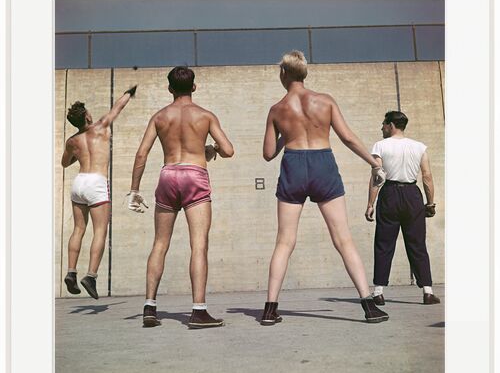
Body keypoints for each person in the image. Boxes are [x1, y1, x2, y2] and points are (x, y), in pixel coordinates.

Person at [261, 50, 389, 325]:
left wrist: (287, 134)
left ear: (284, 73)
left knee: (284, 242)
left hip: (293, 165)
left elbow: (268, 154)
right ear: (304, 72)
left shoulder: (276, 109)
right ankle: (369, 306)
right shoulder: (325, 101)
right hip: (323, 165)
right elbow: (347, 138)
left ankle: (270, 310)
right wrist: (374, 164)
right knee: (343, 239)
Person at [128, 66, 234, 329]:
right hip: (194, 176)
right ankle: (198, 311)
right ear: (194, 87)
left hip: (168, 175)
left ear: (169, 89)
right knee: (198, 245)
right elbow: (229, 150)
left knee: (159, 243)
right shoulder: (205, 116)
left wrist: (134, 190)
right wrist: (211, 149)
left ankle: (149, 308)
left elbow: (141, 153)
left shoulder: (160, 116)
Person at [61, 86, 137, 299]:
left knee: (78, 229)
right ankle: (91, 276)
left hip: (79, 182)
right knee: (100, 231)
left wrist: (78, 155)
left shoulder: (72, 141)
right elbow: (118, 107)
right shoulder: (101, 126)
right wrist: (130, 92)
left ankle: (71, 272)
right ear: (87, 116)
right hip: (97, 182)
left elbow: (64, 163)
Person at [365, 110, 440, 305]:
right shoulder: (419, 147)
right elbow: (427, 176)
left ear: (391, 125)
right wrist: (430, 203)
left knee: (384, 243)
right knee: (417, 243)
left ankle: (378, 292)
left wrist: (370, 204)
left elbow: (377, 177)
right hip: (412, 195)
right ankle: (428, 292)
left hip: (389, 194)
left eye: (384, 124)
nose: (382, 127)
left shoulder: (380, 146)